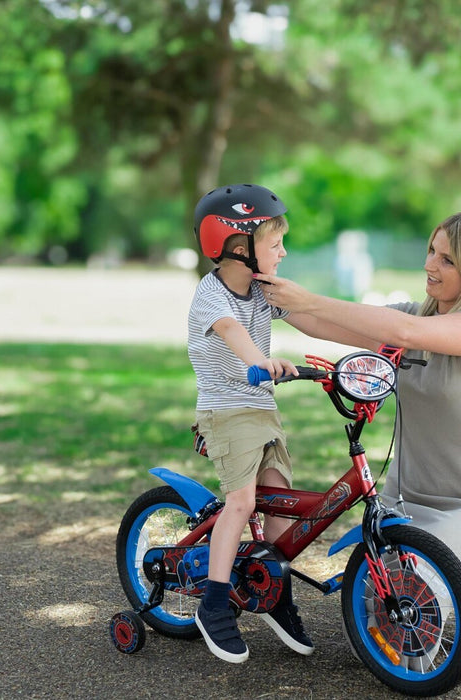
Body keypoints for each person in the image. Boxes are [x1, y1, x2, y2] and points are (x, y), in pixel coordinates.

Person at [255, 210, 461, 654]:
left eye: (447, 260)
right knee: (378, 604)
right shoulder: (411, 316)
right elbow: (329, 323)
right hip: (408, 504)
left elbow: (404, 331)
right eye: (431, 251)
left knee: (413, 601)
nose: (429, 266)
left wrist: (307, 298)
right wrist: (268, 291)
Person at [187, 183, 313, 664]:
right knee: (242, 502)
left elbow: (309, 318)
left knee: (281, 502)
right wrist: (261, 361)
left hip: (262, 411)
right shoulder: (211, 294)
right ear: (239, 248)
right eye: (275, 242)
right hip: (226, 410)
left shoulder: (262, 289)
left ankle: (274, 592)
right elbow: (232, 332)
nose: (284, 251)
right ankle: (214, 603)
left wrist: (376, 340)